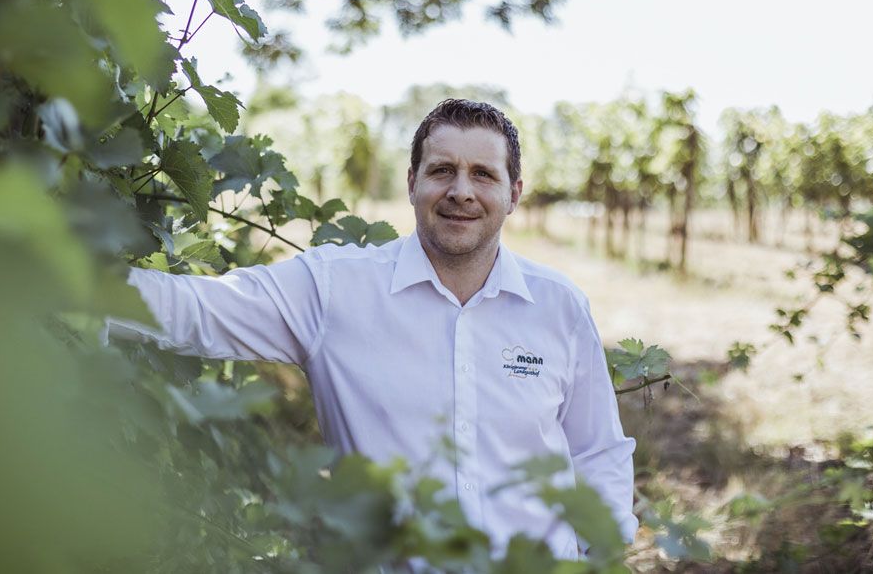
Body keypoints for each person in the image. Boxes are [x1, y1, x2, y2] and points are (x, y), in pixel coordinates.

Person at [107, 99, 638, 561]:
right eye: (441, 170)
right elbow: (197, 310)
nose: (460, 191)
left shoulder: (559, 306)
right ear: (411, 183)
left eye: (483, 174)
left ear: (514, 192)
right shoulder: (334, 291)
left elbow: (598, 453)